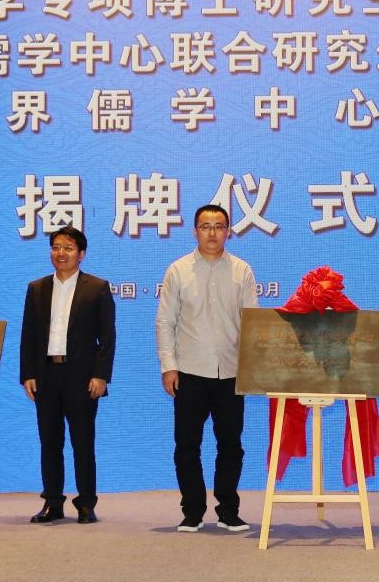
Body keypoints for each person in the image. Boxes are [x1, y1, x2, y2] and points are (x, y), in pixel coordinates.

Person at [156, 205, 258, 533]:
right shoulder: (178, 270)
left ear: (229, 231)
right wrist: (168, 366)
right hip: (189, 371)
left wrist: (251, 366)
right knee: (187, 446)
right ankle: (193, 511)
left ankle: (228, 510)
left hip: (231, 371)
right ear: (195, 231)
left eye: (219, 226)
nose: (212, 233)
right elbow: (165, 322)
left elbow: (251, 323)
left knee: (231, 445)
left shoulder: (242, 271)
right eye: (205, 226)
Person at [20, 225, 115, 524]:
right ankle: (53, 502)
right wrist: (28, 374)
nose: (61, 253)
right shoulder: (37, 288)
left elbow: (107, 337)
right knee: (49, 442)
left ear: (81, 254)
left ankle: (86, 503)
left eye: (69, 248)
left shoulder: (97, 287)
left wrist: (101, 376)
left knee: (82, 442)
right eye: (56, 247)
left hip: (82, 377)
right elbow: (28, 335)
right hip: (46, 374)